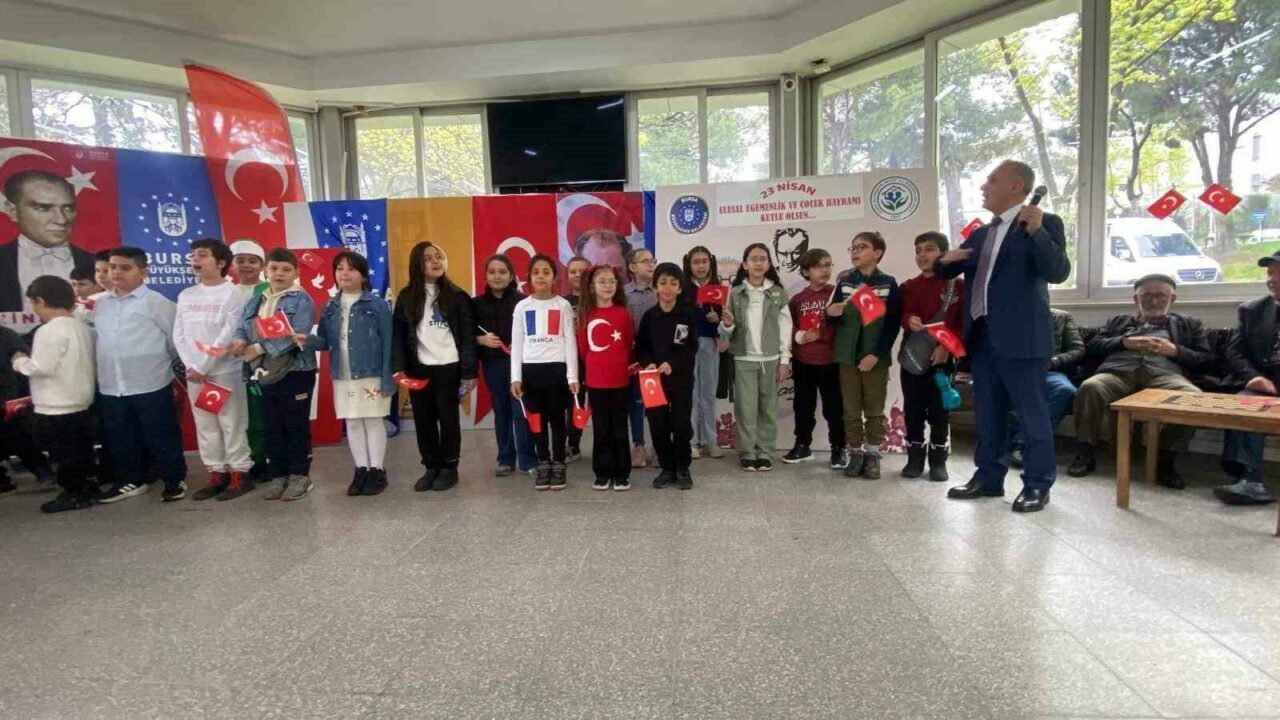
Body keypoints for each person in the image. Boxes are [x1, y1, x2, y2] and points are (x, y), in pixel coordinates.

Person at [935, 159, 1070, 513]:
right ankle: (988, 477)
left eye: (992, 180)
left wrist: (1038, 232)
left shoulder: (1044, 223)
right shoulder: (981, 234)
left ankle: (1038, 484)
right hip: (982, 338)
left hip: (1022, 338)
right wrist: (945, 260)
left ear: (1016, 186)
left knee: (1031, 414)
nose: (984, 186)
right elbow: (945, 270)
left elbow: (1058, 271)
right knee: (989, 414)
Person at [1068, 274, 1211, 488]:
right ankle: (1085, 453)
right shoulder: (1118, 321)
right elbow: (1093, 346)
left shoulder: (1189, 324)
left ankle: (1165, 459)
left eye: (1161, 296)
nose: (1153, 301)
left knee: (1193, 398)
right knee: (1090, 387)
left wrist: (1175, 350)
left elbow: (1206, 359)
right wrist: (1124, 342)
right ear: (1136, 299)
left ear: (1172, 299)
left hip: (1164, 375)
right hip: (1117, 373)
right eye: (1146, 296)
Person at [93, 246, 188, 504]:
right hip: (112, 384)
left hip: (150, 382)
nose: (116, 273)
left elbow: (175, 340)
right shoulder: (100, 304)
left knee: (161, 434)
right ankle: (130, 480)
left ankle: (174, 479)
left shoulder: (156, 302)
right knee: (121, 436)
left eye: (125, 268)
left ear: (143, 272)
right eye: (113, 267)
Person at [298, 251, 394, 496]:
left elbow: (388, 342)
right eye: (340, 269)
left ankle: (377, 470)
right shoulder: (330, 306)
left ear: (363, 275)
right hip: (343, 375)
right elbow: (325, 342)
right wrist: (306, 340)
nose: (344, 273)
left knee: (373, 420)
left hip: (371, 373)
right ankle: (361, 469)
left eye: (351, 269)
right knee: (352, 422)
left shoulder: (377, 304)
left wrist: (387, 378)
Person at [232, 247, 317, 502]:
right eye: (274, 268)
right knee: (272, 426)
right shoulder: (258, 299)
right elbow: (242, 324)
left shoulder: (301, 300)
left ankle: (300, 476)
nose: (279, 273)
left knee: (295, 425)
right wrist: (239, 340)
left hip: (296, 371)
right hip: (264, 372)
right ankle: (278, 475)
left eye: (286, 269)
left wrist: (257, 348)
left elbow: (297, 334)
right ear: (265, 271)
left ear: (296, 273)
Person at [392, 241, 476, 493]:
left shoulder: (457, 296)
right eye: (428, 258)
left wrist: (469, 372)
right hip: (419, 369)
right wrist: (399, 368)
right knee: (424, 420)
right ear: (417, 264)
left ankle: (450, 467)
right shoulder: (406, 297)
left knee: (448, 420)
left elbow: (468, 336)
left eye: (438, 256)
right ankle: (431, 466)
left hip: (449, 368)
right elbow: (399, 336)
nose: (436, 261)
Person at [174, 238, 254, 502]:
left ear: (220, 263)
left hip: (222, 372)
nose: (195, 260)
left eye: (202, 255)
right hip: (196, 374)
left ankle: (240, 473)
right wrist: (192, 366)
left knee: (231, 422)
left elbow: (228, 334)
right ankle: (217, 473)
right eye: (193, 255)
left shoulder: (233, 294)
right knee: (206, 424)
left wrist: (204, 365)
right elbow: (179, 335)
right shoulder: (186, 295)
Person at [10, 276, 96, 513]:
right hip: (81, 398)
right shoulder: (81, 327)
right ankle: (85, 488)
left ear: (40, 301)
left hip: (55, 404)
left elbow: (41, 368)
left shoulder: (48, 331)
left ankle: (72, 493)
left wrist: (19, 361)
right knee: (81, 449)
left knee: (63, 453)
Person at [829, 231, 901, 480]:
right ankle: (855, 453)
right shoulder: (845, 282)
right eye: (853, 248)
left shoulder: (888, 283)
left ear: (877, 253)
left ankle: (872, 454)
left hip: (875, 359)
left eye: (862, 247)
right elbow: (832, 318)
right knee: (850, 409)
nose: (855, 251)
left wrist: (876, 354)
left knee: (874, 408)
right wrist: (831, 312)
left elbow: (892, 326)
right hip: (847, 356)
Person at [1214, 251, 1280, 506]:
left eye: (1279, 273)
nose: (1272, 279)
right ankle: (1249, 480)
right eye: (1270, 273)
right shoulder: (1252, 310)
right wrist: (1253, 377)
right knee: (1245, 403)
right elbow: (1234, 351)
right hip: (1265, 381)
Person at [898, 231, 964, 482]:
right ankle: (914, 459)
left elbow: (964, 325)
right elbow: (902, 314)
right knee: (913, 410)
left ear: (943, 253)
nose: (922, 255)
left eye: (928, 249)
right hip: (913, 359)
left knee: (939, 411)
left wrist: (946, 347)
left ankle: (938, 461)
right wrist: (909, 320)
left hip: (943, 359)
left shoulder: (957, 286)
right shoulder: (909, 286)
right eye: (918, 251)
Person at [720, 243, 792, 472]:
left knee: (768, 409)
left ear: (769, 264)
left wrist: (784, 360)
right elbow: (726, 331)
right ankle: (747, 452)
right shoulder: (735, 293)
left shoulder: (778, 293)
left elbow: (785, 327)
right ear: (745, 264)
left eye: (763, 258)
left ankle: (765, 452)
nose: (758, 263)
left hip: (770, 360)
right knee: (746, 409)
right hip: (744, 359)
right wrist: (728, 324)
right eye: (753, 259)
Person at [511, 254, 580, 491]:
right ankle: (543, 461)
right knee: (536, 419)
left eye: (546, 272)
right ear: (529, 277)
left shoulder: (563, 305)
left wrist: (572, 376)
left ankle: (559, 461)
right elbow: (516, 344)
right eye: (536, 272)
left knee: (558, 419)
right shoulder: (522, 307)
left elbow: (570, 341)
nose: (541, 276)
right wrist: (516, 378)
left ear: (554, 277)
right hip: (531, 371)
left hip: (557, 370)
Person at [473, 254, 537, 477]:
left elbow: (533, 333)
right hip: (493, 365)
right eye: (492, 272)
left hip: (521, 365)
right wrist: (481, 340)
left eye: (502, 272)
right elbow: (465, 334)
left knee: (521, 411)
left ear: (511, 276)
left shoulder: (525, 302)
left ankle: (528, 459)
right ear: (485, 276)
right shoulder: (476, 304)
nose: (497, 276)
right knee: (501, 411)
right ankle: (505, 459)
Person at [637, 262, 699, 490]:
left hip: (680, 379)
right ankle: (667, 468)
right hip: (653, 382)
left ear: (680, 288)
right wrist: (649, 363)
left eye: (673, 283)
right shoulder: (649, 316)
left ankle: (682, 467)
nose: (668, 288)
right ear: (655, 287)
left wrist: (672, 364)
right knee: (658, 425)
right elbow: (641, 347)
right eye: (663, 282)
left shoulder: (686, 315)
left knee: (681, 425)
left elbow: (689, 347)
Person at [785, 248, 847, 468]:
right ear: (805, 271)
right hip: (803, 361)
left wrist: (824, 333)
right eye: (818, 266)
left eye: (828, 265)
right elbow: (787, 327)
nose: (824, 270)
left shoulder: (837, 295)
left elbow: (845, 326)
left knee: (834, 407)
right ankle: (802, 445)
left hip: (830, 361)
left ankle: (838, 448)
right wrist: (800, 336)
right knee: (803, 406)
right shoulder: (798, 299)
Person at [0, 170, 94, 313]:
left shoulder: (96, 264)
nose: (61, 220)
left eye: (68, 208)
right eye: (43, 208)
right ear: (13, 211)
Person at [576, 263, 634, 491]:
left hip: (620, 380)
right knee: (601, 428)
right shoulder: (586, 315)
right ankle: (602, 472)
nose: (608, 286)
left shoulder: (623, 313)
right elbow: (583, 349)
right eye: (602, 282)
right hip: (596, 381)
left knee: (619, 427)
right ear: (592, 287)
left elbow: (627, 343)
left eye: (612, 281)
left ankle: (621, 473)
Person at [1006, 308, 1083, 468]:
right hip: (1015, 372)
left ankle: (1022, 442)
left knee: (1065, 391)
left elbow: (1077, 349)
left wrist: (1053, 361)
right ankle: (1012, 439)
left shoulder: (1062, 317)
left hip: (1049, 371)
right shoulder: (1008, 315)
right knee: (992, 388)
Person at [228, 239, 269, 481]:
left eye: (252, 261)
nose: (246, 265)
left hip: (262, 361)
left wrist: (256, 347)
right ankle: (245, 460)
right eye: (240, 260)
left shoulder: (268, 289)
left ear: (262, 265)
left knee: (260, 412)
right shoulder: (228, 291)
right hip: (231, 363)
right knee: (239, 414)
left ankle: (263, 458)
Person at [682, 246, 726, 459]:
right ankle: (691, 441)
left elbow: (727, 321)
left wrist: (718, 320)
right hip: (688, 345)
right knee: (690, 394)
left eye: (704, 261)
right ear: (689, 265)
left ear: (710, 263)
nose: (700, 266)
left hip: (710, 343)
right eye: (696, 262)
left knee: (708, 393)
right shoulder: (683, 288)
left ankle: (710, 440)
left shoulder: (718, 288)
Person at [624, 248, 658, 469]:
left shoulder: (660, 290)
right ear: (632, 267)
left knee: (656, 402)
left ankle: (658, 446)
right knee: (636, 402)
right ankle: (638, 445)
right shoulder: (623, 293)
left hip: (657, 356)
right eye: (645, 261)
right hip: (633, 356)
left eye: (652, 260)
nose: (650, 264)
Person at [562, 255, 591, 463]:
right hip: (571, 362)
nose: (578, 275)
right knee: (574, 402)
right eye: (573, 271)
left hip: (595, 360)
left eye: (582, 271)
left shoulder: (598, 300)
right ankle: (573, 444)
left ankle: (605, 445)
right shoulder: (562, 303)